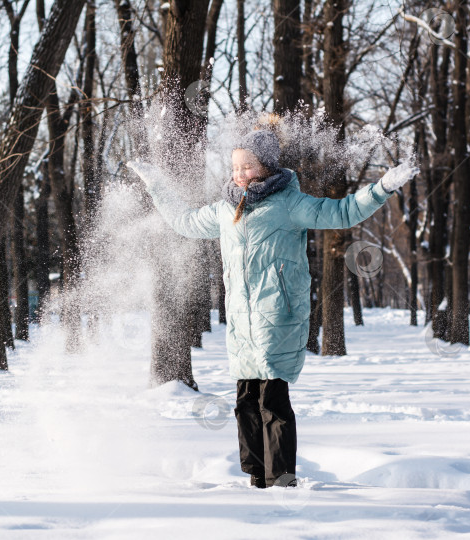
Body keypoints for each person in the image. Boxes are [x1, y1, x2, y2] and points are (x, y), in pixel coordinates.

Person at [127, 129, 419, 489]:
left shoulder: (288, 204)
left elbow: (342, 212)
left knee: (272, 400)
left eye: (247, 166)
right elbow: (185, 221)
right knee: (246, 400)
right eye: (235, 166)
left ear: (265, 167)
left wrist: (383, 187)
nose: (239, 173)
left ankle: (281, 479)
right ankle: (256, 478)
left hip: (279, 316)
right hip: (241, 323)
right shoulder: (225, 210)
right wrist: (156, 183)